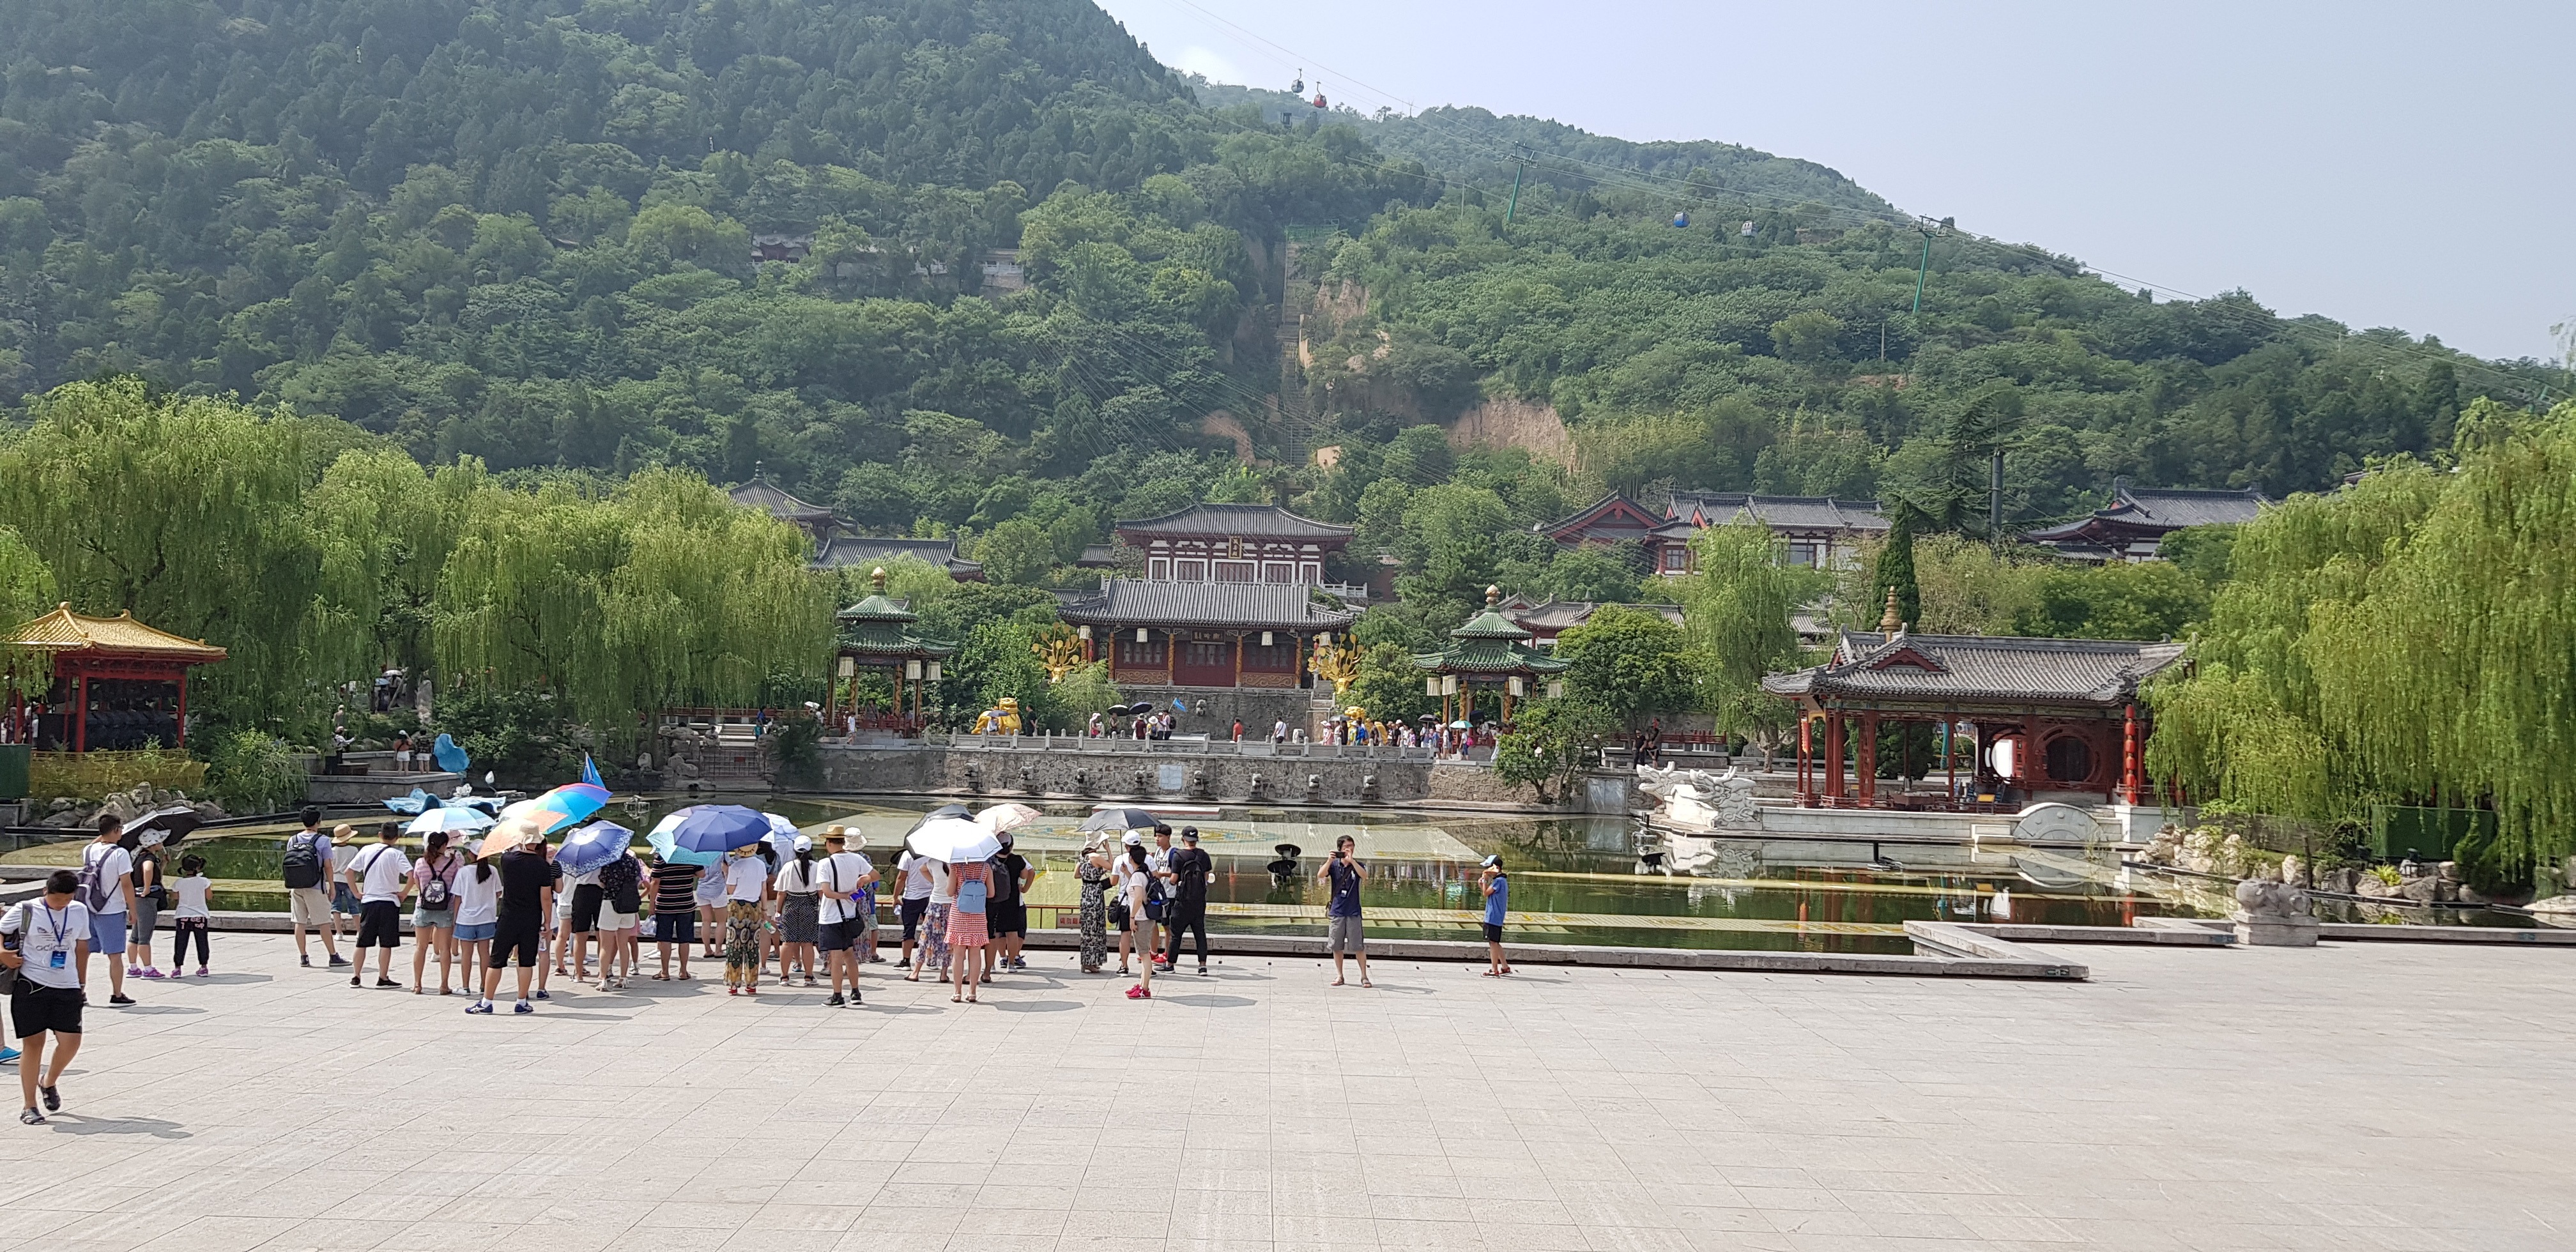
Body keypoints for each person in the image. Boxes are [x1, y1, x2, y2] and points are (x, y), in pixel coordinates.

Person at [2, 869, 89, 1124]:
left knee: (71, 1042)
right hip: (31, 983)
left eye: (66, 899)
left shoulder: (78, 911)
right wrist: (3, 954)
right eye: (56, 899)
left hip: (67, 984)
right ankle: (29, 1106)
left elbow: (82, 947)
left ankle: (48, 1081)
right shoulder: (26, 909)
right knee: (34, 1044)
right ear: (45, 892)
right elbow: (1, 930)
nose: (61, 904)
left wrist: (82, 982)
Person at [470, 827, 554, 1015]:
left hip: (509, 915)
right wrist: (548, 921)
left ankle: (487, 1001)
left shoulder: (507, 860)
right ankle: (521, 1001)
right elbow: (546, 897)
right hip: (531, 917)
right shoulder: (542, 866)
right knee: (526, 961)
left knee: (497, 960)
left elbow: (508, 849)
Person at [78, 816, 135, 1006]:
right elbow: (126, 884)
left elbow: (94, 843)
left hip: (87, 907)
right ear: (117, 830)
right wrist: (132, 909)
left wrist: (103, 835)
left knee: (83, 951)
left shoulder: (88, 850)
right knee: (115, 955)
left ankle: (80, 991)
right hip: (111, 909)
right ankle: (117, 994)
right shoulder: (121, 854)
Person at [346, 822, 410, 989]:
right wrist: (404, 893)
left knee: (362, 941)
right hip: (389, 901)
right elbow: (412, 874)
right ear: (397, 837)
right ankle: (383, 977)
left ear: (380, 834)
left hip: (369, 901)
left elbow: (349, 871)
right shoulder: (397, 855)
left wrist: (356, 893)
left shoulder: (367, 850)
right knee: (386, 943)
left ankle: (356, 976)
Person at [281, 807, 346, 970]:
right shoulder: (323, 841)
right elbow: (328, 866)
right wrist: (332, 886)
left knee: (299, 922)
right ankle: (333, 956)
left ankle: (303, 956)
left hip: (296, 886)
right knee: (324, 922)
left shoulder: (293, 839)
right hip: (316, 886)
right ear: (318, 822)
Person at [814, 829, 873, 1006]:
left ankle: (837, 995)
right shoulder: (856, 859)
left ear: (830, 843)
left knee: (836, 958)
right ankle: (856, 992)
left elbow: (827, 892)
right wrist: (862, 880)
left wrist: (845, 895)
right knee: (850, 954)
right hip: (849, 915)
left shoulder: (825, 863)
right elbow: (875, 875)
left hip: (831, 917)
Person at [408, 831, 462, 995]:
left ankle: (417, 984)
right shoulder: (452, 864)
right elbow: (455, 886)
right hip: (445, 908)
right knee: (445, 949)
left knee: (421, 947)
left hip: (423, 907)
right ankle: (444, 985)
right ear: (445, 845)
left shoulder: (420, 862)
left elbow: (418, 885)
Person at [1319, 834, 1370, 988]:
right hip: (1337, 910)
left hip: (1353, 911)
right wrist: (1330, 860)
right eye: (1346, 847)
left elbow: (1365, 876)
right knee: (1336, 946)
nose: (1350, 849)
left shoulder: (1358, 864)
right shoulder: (1334, 866)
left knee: (1358, 946)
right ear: (1340, 849)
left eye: (1352, 846)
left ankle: (1364, 976)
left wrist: (1352, 861)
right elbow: (1320, 875)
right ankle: (1340, 975)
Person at [449, 843, 500, 995]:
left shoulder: (464, 872)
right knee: (484, 952)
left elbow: (457, 898)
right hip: (487, 917)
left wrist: (455, 918)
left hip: (466, 918)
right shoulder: (493, 871)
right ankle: (485, 985)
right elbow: (498, 892)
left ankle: (465, 986)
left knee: (467, 953)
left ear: (471, 855)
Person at [772, 836, 822, 989]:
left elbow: (781, 892)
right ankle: (808, 976)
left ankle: (784, 976)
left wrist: (778, 911)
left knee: (788, 942)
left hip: (792, 904)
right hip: (810, 905)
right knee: (808, 943)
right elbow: (820, 891)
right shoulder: (817, 867)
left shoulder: (788, 867)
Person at [721, 845, 769, 995]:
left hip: (737, 908)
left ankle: (734, 984)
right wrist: (764, 911)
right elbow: (764, 889)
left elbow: (731, 890)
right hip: (755, 906)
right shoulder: (760, 864)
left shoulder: (735, 867)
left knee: (734, 946)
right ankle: (752, 983)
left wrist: (726, 872)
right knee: (752, 946)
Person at [1165, 827, 1213, 976]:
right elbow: (1206, 877)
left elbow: (1174, 879)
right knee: (1200, 933)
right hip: (1199, 902)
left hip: (1182, 902)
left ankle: (1170, 964)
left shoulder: (1178, 856)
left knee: (1176, 934)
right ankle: (1202, 966)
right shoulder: (1203, 855)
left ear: (1183, 839)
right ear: (1197, 840)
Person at [596, 844, 644, 989]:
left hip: (611, 902)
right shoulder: (632, 861)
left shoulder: (608, 861)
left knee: (606, 945)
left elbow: (602, 881)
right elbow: (638, 879)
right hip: (629, 904)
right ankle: (623, 977)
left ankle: (603, 978)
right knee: (623, 944)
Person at [647, 853, 702, 981]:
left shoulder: (661, 858)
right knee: (684, 939)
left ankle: (665, 972)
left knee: (664, 938)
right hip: (686, 904)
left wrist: (651, 904)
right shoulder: (690, 856)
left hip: (665, 904)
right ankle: (683, 971)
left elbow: (655, 882)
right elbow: (702, 874)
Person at [944, 851, 989, 1003]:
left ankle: (957, 992)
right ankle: (973, 992)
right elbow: (991, 893)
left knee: (958, 954)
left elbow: (950, 892)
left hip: (959, 914)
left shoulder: (956, 867)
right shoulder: (986, 868)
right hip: (978, 915)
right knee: (975, 954)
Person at [987, 834, 1032, 972]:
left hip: (993, 900)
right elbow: (1025, 875)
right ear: (1011, 846)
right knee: (1012, 933)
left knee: (994, 934)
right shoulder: (1017, 860)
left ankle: (992, 965)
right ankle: (1011, 965)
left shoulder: (990, 860)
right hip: (1012, 901)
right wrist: (1024, 888)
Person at [128, 830, 167, 981]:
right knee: (145, 936)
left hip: (136, 898)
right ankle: (148, 969)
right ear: (154, 843)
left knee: (135, 934)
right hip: (147, 898)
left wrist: (163, 864)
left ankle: (133, 967)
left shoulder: (139, 856)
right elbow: (148, 869)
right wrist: (147, 888)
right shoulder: (149, 858)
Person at [558, 854, 602, 982]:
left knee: (580, 935)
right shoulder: (603, 856)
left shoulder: (578, 854)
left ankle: (578, 974)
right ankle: (603, 971)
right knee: (602, 936)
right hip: (599, 891)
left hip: (582, 891)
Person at [1121, 840, 1155, 1000]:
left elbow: (1139, 898)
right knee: (1143, 953)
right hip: (1147, 917)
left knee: (1144, 954)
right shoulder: (1143, 874)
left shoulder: (1138, 876)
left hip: (1141, 918)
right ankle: (1142, 984)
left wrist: (1132, 917)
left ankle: (1145, 988)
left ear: (1131, 859)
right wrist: (1128, 873)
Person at [168, 854, 212, 977]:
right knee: (202, 941)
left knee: (181, 941)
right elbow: (209, 897)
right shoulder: (204, 882)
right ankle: (203, 967)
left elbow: (175, 897)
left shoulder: (179, 882)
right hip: (200, 915)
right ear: (198, 867)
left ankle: (177, 968)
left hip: (183, 915)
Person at [894, 849, 936, 971]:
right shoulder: (933, 854)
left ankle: (906, 961)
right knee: (931, 929)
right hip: (930, 895)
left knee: (909, 929)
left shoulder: (908, 855)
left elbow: (901, 878)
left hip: (911, 897)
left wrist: (895, 897)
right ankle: (932, 959)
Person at [1075, 837, 1112, 974]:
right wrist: (1108, 849)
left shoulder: (1082, 856)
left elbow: (1076, 875)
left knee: (1087, 928)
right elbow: (1111, 866)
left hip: (1085, 891)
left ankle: (1087, 961)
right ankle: (1092, 962)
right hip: (1095, 893)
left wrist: (1092, 873)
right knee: (1095, 927)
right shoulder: (1095, 856)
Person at [916, 855, 954, 984]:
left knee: (926, 936)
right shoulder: (955, 863)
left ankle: (916, 971)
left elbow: (922, 869)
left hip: (935, 903)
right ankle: (944, 973)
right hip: (951, 904)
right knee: (948, 940)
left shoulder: (932, 861)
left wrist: (934, 881)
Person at [1478, 855, 1514, 975]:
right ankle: (1505, 966)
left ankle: (1495, 969)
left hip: (1492, 916)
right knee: (1496, 942)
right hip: (1497, 916)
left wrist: (1483, 881)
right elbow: (1488, 892)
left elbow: (1486, 893)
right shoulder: (1502, 881)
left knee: (1492, 943)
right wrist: (1483, 884)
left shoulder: (1498, 881)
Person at [1147, 825, 1176, 970]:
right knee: (1153, 922)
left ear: (1169, 837)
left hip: (1169, 894)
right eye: (1156, 836)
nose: (1157, 839)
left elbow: (1177, 874)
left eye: (1160, 837)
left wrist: (1162, 874)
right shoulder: (1158, 852)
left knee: (1167, 926)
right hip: (1157, 892)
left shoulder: (1174, 853)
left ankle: (1167, 953)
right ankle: (1153, 952)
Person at [326, 823, 364, 935]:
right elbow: (358, 866)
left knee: (336, 906)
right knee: (354, 905)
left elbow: (329, 866)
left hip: (335, 879)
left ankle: (339, 932)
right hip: (349, 880)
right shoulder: (353, 850)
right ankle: (359, 931)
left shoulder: (332, 851)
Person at [694, 848, 728, 963]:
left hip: (702, 889)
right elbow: (728, 867)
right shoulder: (722, 851)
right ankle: (718, 949)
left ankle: (707, 949)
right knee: (721, 921)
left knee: (706, 921)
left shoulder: (699, 852)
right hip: (718, 888)